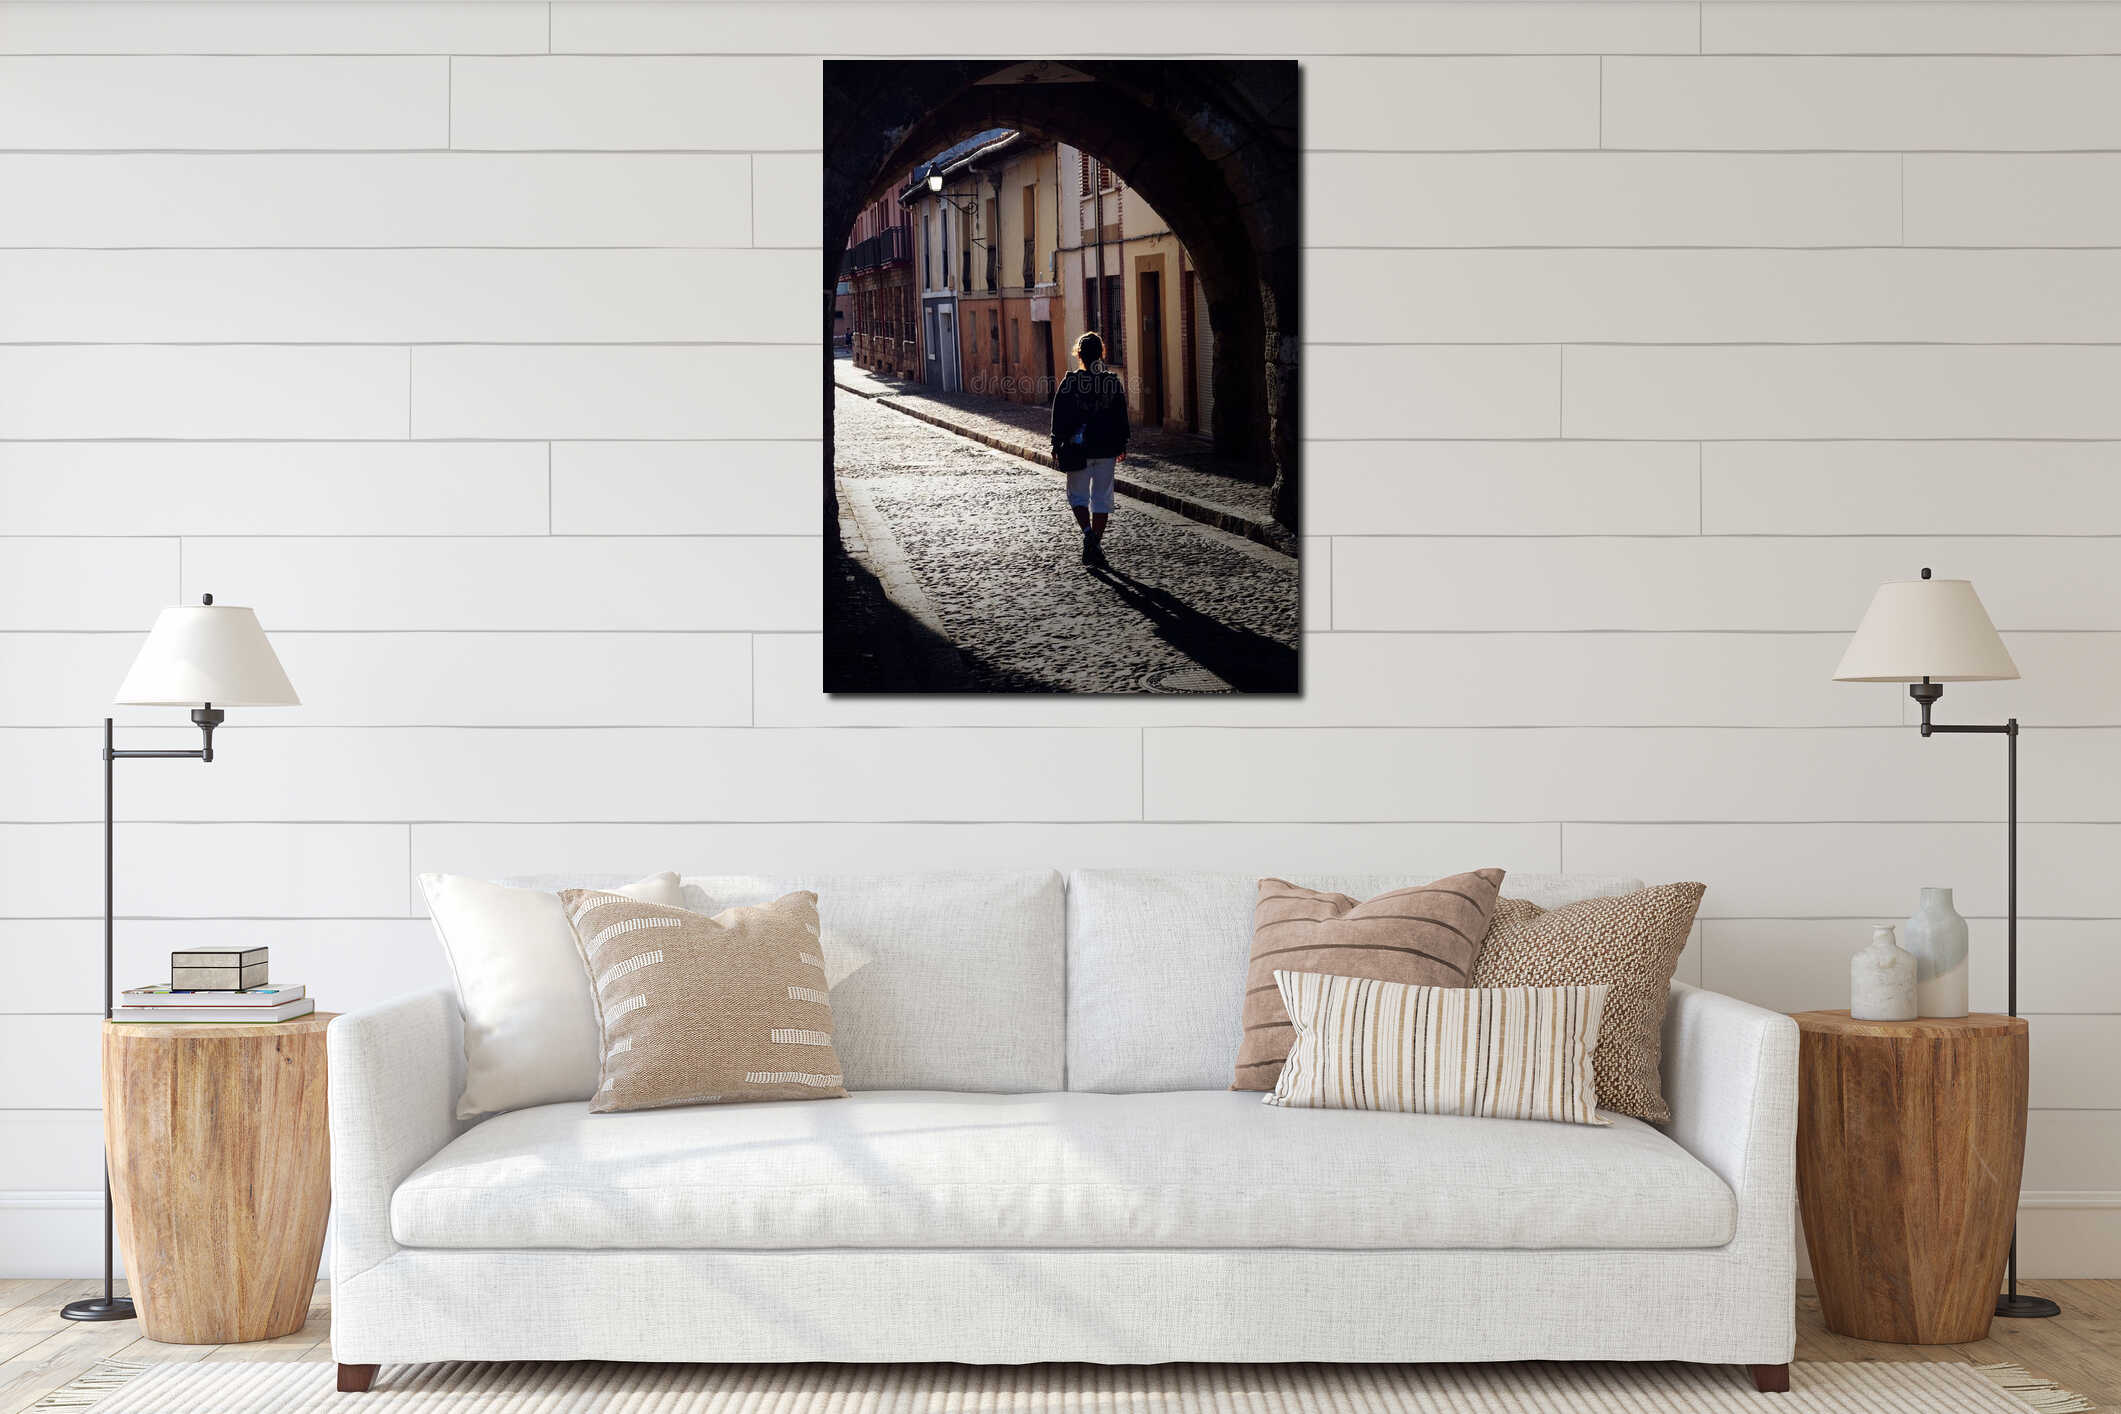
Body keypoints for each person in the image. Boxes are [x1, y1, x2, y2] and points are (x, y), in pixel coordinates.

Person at [1049, 330, 1130, 566]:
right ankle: (1095, 543)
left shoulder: (1070, 382)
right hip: (1106, 448)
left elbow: (1059, 415)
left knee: (1078, 496)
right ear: (1101, 355)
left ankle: (1088, 537)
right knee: (1102, 498)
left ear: (1080, 355)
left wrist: (1056, 442)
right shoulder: (1112, 382)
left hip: (1078, 449)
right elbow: (1120, 415)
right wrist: (1122, 442)